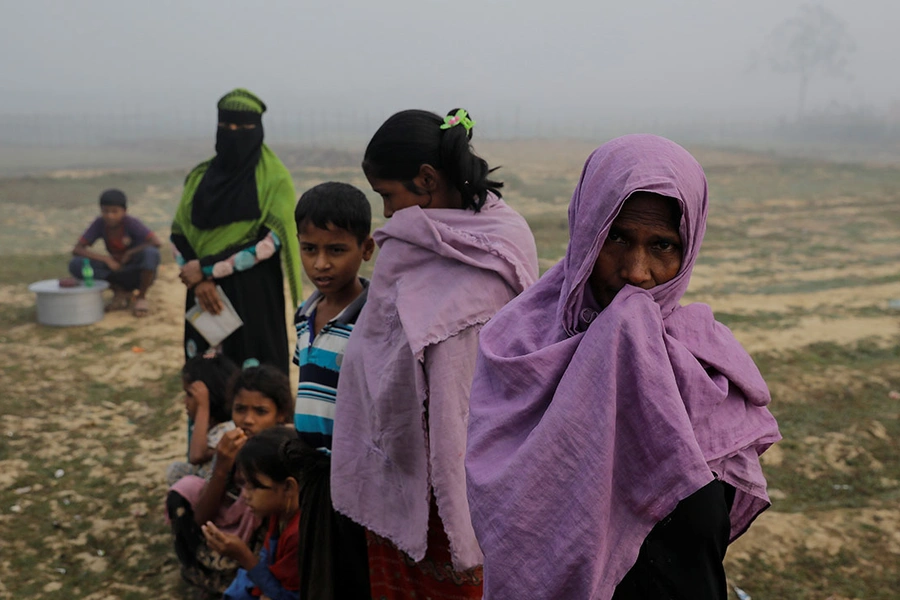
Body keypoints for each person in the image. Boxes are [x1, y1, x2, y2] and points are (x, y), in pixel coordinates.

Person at [464, 134, 782, 600]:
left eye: (662, 245)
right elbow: (510, 527)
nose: (636, 271)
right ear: (586, 229)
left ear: (688, 248)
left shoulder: (709, 367)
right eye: (616, 237)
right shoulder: (518, 350)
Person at [330, 108, 539, 599]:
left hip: (472, 477)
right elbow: (376, 342)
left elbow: (495, 370)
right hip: (396, 468)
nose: (383, 213)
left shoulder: (500, 244)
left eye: (387, 195)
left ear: (426, 179)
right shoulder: (409, 242)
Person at [170, 88, 301, 372]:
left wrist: (206, 270)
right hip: (202, 297)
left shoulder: (274, 180)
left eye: (243, 127)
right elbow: (178, 234)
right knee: (206, 380)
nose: (233, 133)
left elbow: (270, 240)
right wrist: (200, 280)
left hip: (253, 294)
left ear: (258, 129)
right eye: (225, 126)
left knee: (256, 382)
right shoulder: (198, 177)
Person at [292, 181, 374, 599]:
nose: (320, 264)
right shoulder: (304, 315)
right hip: (314, 478)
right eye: (309, 249)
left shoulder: (373, 321)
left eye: (336, 250)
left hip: (356, 482)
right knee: (319, 576)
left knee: (354, 578)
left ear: (367, 248)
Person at [167, 364, 295, 596]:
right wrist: (222, 467)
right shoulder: (231, 444)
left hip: (264, 545)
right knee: (181, 486)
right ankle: (201, 572)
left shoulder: (283, 452)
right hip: (236, 530)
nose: (247, 420)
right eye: (240, 409)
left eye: (260, 411)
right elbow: (201, 519)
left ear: (281, 414)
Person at [203, 426, 312, 600]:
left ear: (288, 487)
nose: (245, 495)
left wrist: (244, 556)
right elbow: (268, 561)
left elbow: (287, 596)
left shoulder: (300, 533)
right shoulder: (280, 513)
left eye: (254, 486)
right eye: (244, 484)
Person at [69, 188, 162, 316]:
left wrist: (130, 253)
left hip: (135, 270)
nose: (109, 215)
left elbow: (156, 242)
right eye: (105, 211)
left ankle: (141, 297)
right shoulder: (99, 223)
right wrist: (106, 259)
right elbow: (77, 249)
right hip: (115, 270)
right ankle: (119, 292)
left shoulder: (131, 223)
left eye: (114, 211)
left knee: (151, 254)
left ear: (124, 211)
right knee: (76, 264)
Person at [166, 353, 239, 486]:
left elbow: (196, 456)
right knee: (175, 470)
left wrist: (203, 407)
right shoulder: (212, 428)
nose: (185, 401)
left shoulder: (226, 430)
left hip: (214, 495)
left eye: (189, 395)